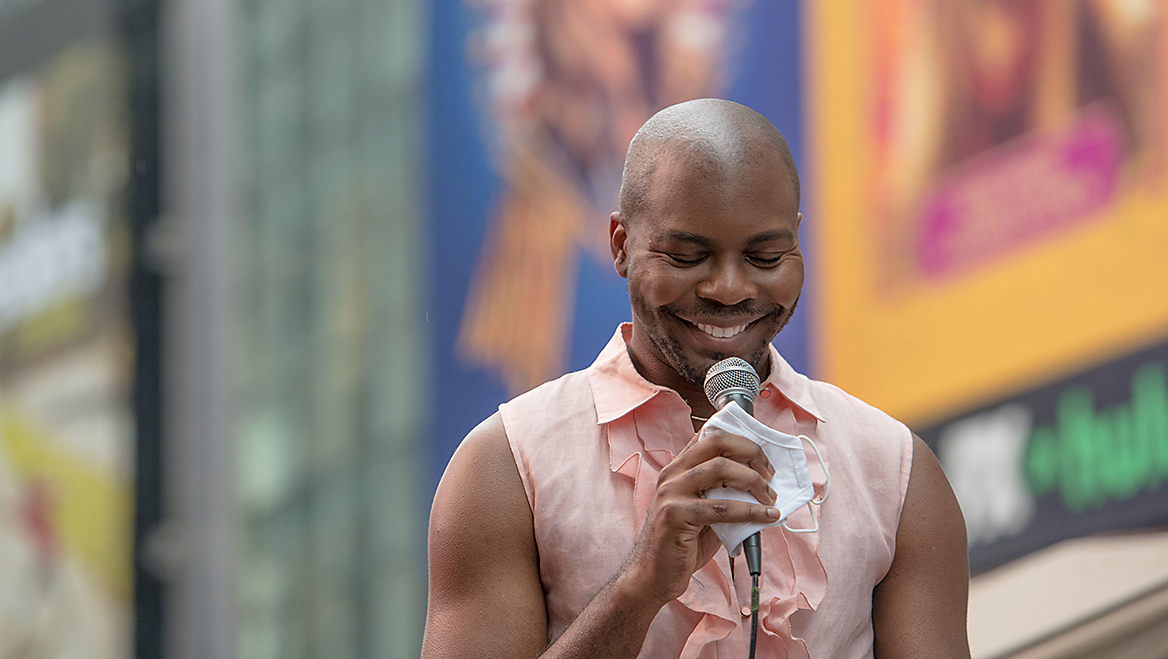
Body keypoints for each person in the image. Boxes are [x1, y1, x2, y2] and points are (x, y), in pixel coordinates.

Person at [423, 99, 970, 658]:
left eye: (765, 257)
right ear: (620, 245)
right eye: (687, 257)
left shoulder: (894, 470)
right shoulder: (507, 467)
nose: (729, 288)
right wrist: (639, 587)